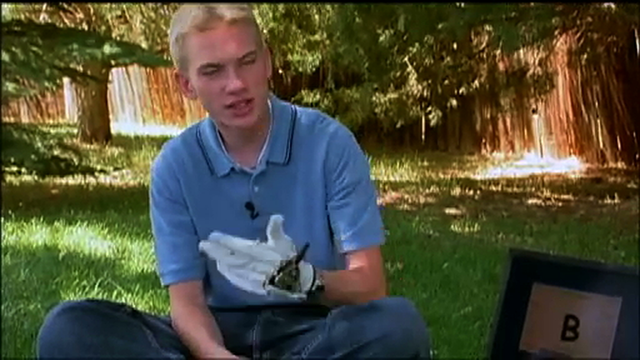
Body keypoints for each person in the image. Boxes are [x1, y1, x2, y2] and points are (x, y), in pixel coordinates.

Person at [35, 3, 432, 359]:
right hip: (214, 330)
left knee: (399, 325)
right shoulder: (175, 166)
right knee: (68, 328)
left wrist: (305, 280)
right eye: (213, 71)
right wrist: (215, 356)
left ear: (268, 62)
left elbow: (371, 285)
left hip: (312, 331)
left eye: (247, 61)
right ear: (187, 85)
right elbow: (186, 302)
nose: (236, 84)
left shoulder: (330, 144)